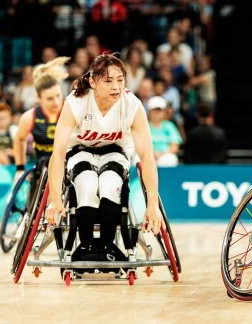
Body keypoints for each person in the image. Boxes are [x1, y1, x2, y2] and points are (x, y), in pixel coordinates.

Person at [45, 53, 161, 259]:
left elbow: (147, 158)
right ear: (92, 81)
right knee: (87, 183)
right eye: (108, 81)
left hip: (115, 151)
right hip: (80, 150)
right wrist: (55, 199)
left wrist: (153, 206)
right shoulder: (76, 102)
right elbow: (58, 153)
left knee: (110, 184)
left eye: (120, 80)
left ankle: (107, 246)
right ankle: (87, 246)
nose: (116, 87)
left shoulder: (132, 105)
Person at [12, 56, 70, 185]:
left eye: (58, 96)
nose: (56, 102)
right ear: (38, 97)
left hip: (68, 167)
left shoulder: (70, 112)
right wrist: (20, 169)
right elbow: (19, 139)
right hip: (42, 169)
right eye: (50, 98)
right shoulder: (30, 117)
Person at [146, 96, 182, 167]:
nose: (156, 113)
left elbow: (175, 146)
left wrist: (161, 154)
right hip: (147, 155)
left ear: (164, 112)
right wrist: (151, 154)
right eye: (154, 111)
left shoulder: (169, 126)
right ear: (149, 112)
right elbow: (137, 145)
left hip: (164, 155)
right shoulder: (143, 126)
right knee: (137, 159)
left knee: (170, 159)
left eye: (159, 111)